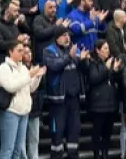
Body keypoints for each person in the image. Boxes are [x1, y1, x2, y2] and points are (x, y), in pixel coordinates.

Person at [0, 40, 44, 159]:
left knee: (18, 149)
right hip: (11, 112)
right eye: (19, 50)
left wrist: (37, 77)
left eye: (23, 50)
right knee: (8, 149)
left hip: (24, 112)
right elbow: (11, 87)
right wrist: (29, 75)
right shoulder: (4, 68)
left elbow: (30, 89)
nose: (22, 53)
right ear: (10, 52)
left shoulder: (23, 68)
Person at [43, 29, 86, 159]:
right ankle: (56, 155)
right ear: (57, 38)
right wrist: (70, 57)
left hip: (74, 97)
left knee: (74, 129)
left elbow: (83, 70)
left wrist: (84, 61)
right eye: (64, 35)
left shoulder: (73, 49)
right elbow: (54, 66)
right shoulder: (49, 50)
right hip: (58, 99)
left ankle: (73, 155)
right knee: (58, 130)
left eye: (68, 35)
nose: (67, 38)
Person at [86, 39, 123, 159]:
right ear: (98, 50)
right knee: (97, 132)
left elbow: (116, 80)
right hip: (98, 104)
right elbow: (94, 78)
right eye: (105, 48)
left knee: (108, 132)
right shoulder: (92, 62)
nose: (108, 51)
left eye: (108, 48)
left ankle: (105, 153)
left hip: (111, 103)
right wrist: (106, 69)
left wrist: (116, 71)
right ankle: (97, 155)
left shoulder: (110, 62)